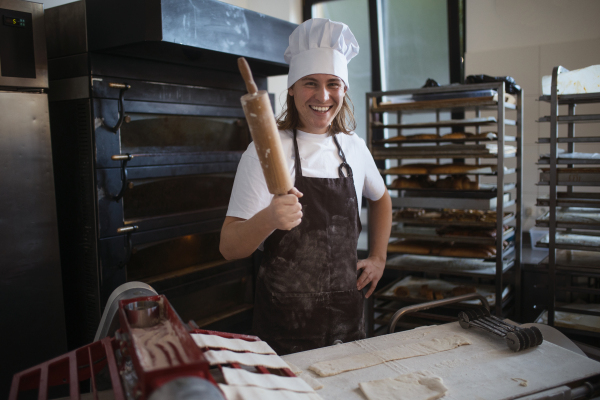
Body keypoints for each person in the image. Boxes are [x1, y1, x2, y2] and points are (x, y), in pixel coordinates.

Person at [220, 18, 392, 355]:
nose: (323, 95)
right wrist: (269, 218)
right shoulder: (266, 150)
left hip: (348, 323)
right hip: (285, 329)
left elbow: (381, 199)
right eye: (310, 83)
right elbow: (229, 246)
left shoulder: (354, 147)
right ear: (293, 89)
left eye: (333, 84)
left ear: (344, 89)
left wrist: (378, 257)